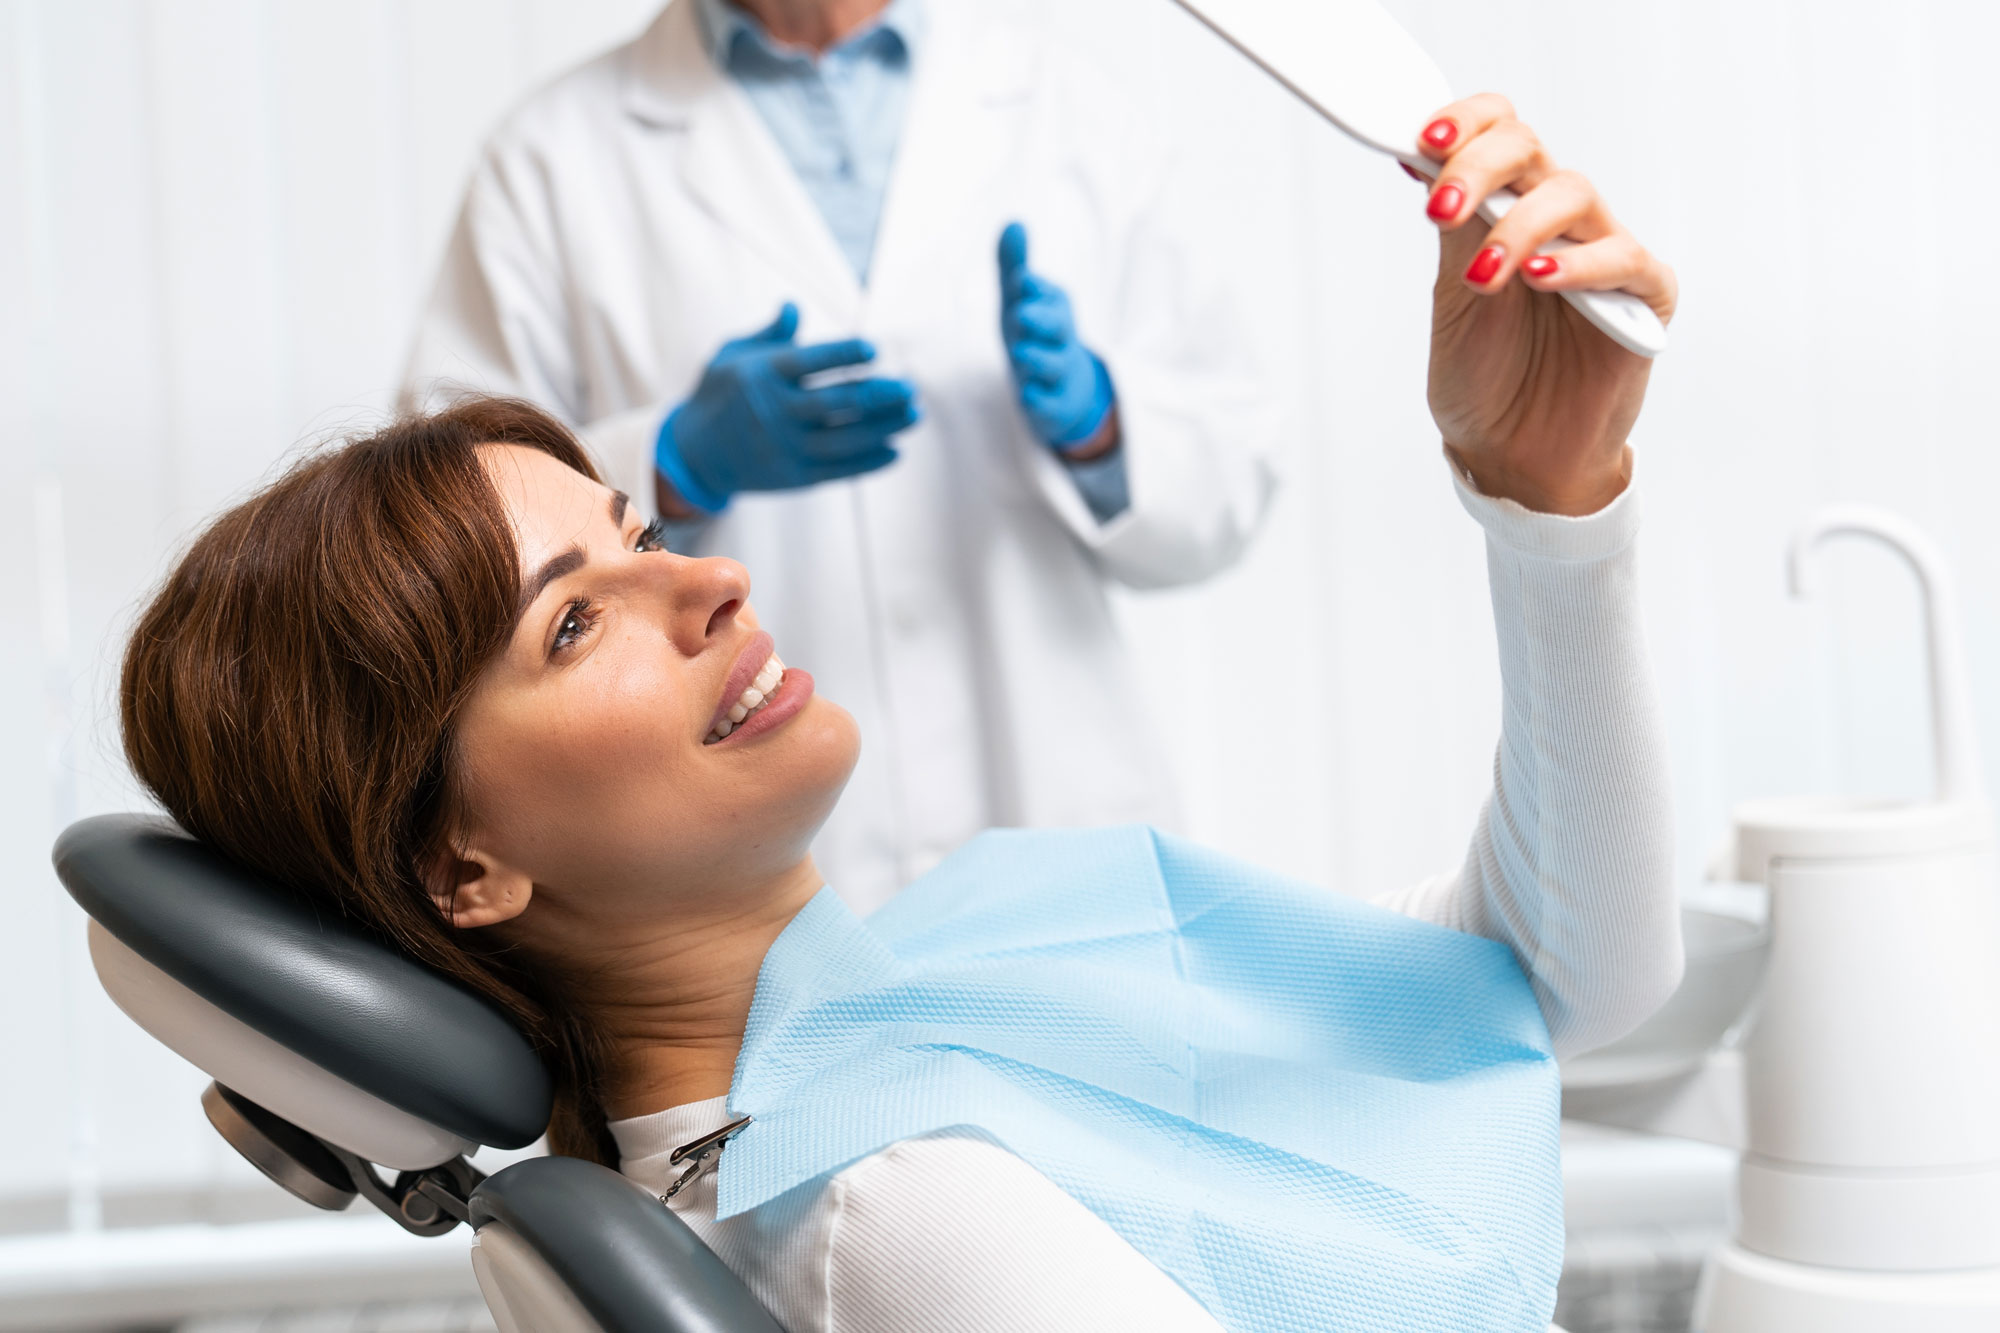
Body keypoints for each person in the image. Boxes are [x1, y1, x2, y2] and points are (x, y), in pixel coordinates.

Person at [129, 97, 1678, 1331]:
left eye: (645, 528)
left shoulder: (954, 973)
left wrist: (1549, 505)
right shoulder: (890, 1214)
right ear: (461, 869)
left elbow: (1545, 976)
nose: (721, 578)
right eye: (578, 617)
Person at [399, 0, 1280, 911]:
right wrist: (666, 461)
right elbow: (437, 521)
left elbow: (1236, 467)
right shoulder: (551, 159)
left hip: (1054, 812)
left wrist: (1103, 425)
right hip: (734, 864)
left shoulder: (1069, 109)